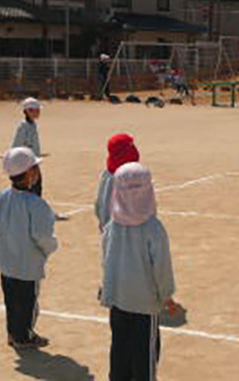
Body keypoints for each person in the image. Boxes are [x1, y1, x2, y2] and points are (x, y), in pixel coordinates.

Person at [101, 162, 177, 381]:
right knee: (145, 354)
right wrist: (167, 296)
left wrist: (107, 290)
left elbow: (106, 261)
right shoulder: (154, 228)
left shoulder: (112, 226)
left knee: (120, 350)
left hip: (118, 301)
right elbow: (161, 268)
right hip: (144, 306)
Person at [0, 147, 58, 350]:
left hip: (6, 261)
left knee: (11, 300)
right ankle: (23, 337)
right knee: (27, 303)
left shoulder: (1, 196)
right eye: (35, 168)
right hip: (28, 263)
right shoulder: (37, 204)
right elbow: (42, 236)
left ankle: (12, 333)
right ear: (30, 174)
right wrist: (50, 249)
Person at [95, 133, 140, 232]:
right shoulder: (116, 179)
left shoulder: (108, 174)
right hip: (119, 231)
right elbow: (103, 204)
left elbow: (98, 203)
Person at [12, 97, 43, 196]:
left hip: (33, 161)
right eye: (36, 110)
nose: (38, 113)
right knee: (30, 190)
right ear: (28, 111)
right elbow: (17, 146)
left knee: (37, 187)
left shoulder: (33, 124)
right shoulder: (23, 127)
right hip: (26, 164)